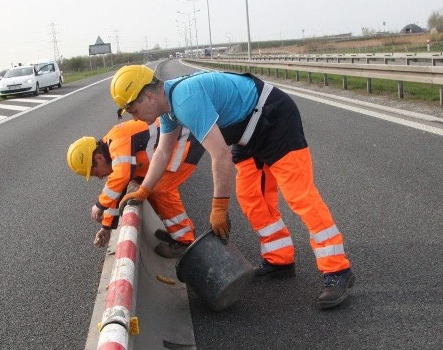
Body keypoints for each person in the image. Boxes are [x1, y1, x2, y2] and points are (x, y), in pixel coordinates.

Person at [110, 65, 355, 309]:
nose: (134, 117)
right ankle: (279, 261)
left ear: (150, 96)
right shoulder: (168, 110)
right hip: (246, 132)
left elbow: (220, 156)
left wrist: (219, 208)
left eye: (133, 109)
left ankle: (338, 270)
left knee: (300, 196)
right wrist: (144, 190)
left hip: (274, 118)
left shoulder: (185, 100)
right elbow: (163, 152)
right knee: (251, 197)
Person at [66, 118, 204, 258]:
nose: (100, 178)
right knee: (150, 189)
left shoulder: (118, 142)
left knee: (161, 189)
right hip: (177, 142)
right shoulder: (112, 150)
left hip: (184, 141)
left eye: (95, 173)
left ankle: (184, 241)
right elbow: (116, 190)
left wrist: (100, 205)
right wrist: (106, 227)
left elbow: (122, 176)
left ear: (99, 158)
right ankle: (177, 232)